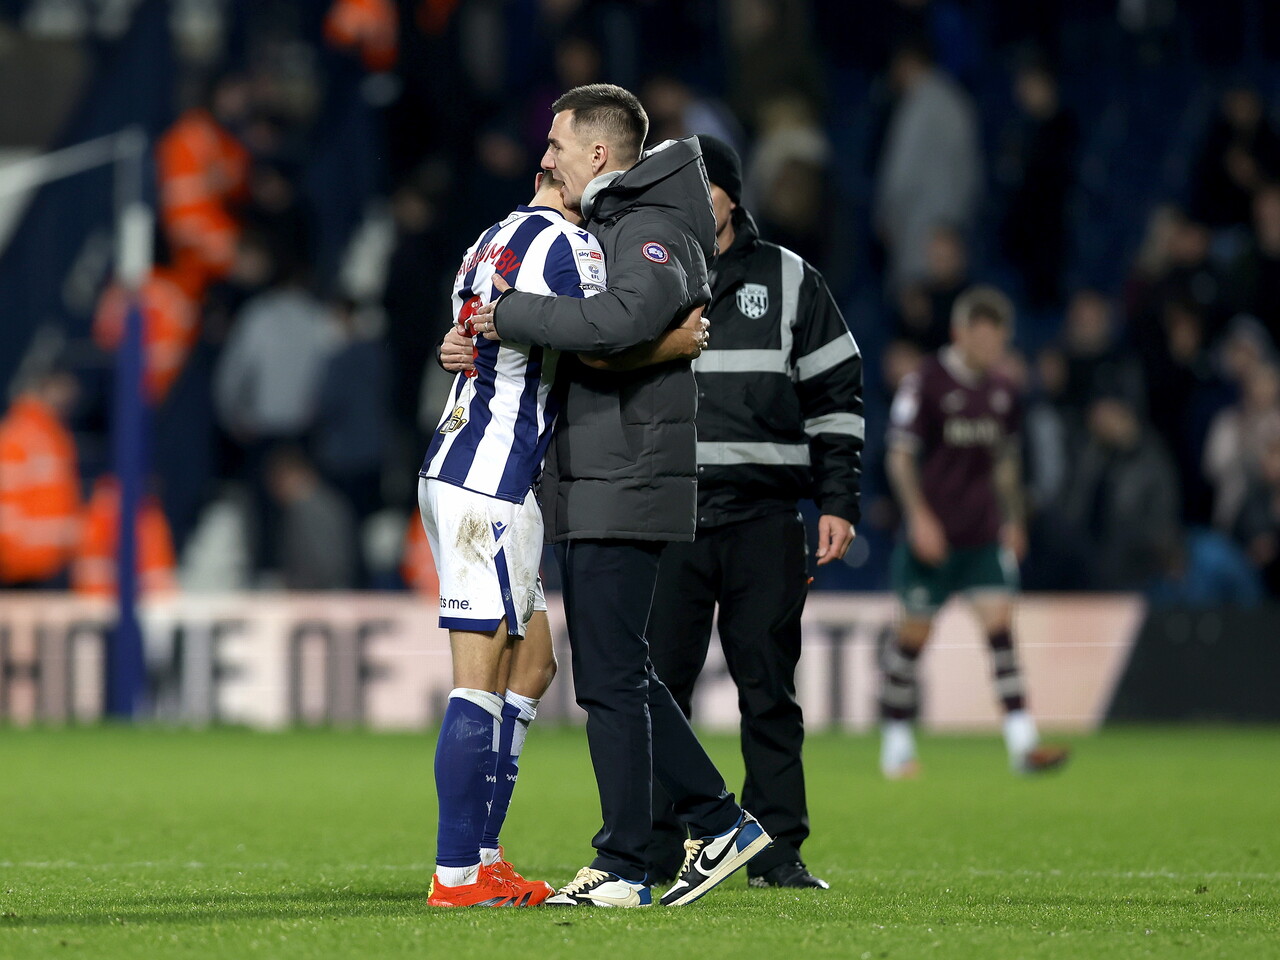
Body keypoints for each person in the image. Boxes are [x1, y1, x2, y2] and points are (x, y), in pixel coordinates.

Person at [471, 84, 771, 908]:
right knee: (619, 672)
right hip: (599, 472)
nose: (546, 158)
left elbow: (613, 324)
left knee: (611, 677)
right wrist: (485, 338)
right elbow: (608, 337)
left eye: (557, 145)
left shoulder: (652, 227)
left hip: (627, 473)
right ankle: (707, 826)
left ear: (598, 153)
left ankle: (635, 860)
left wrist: (512, 312)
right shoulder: (617, 222)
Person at [422, 168, 707, 909]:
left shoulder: (491, 239)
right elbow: (599, 342)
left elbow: (473, 336)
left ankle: (483, 856)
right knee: (478, 678)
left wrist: (461, 345)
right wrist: (672, 342)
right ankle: (459, 874)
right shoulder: (570, 244)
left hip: (466, 462)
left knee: (535, 665)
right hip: (491, 479)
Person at [642, 136, 862, 891]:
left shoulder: (794, 281)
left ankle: (775, 851)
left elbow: (838, 396)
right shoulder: (645, 277)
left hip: (765, 519)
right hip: (669, 516)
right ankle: (653, 847)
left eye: (700, 191)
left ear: (731, 198)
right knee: (658, 688)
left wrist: (838, 502)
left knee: (767, 689)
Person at [881, 286, 1069, 778]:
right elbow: (900, 457)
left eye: (998, 340)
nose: (991, 349)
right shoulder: (925, 382)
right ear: (959, 333)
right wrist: (919, 517)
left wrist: (1014, 519)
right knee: (912, 641)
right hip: (933, 538)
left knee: (1001, 633)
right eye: (982, 339)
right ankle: (896, 742)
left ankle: (1023, 744)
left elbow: (1005, 461)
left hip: (983, 534)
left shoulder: (1003, 390)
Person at [0, 368, 81, 588]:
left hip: (53, 562)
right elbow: (7, 502)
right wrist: (11, 555)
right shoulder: (16, 436)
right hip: (19, 567)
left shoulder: (55, 435)